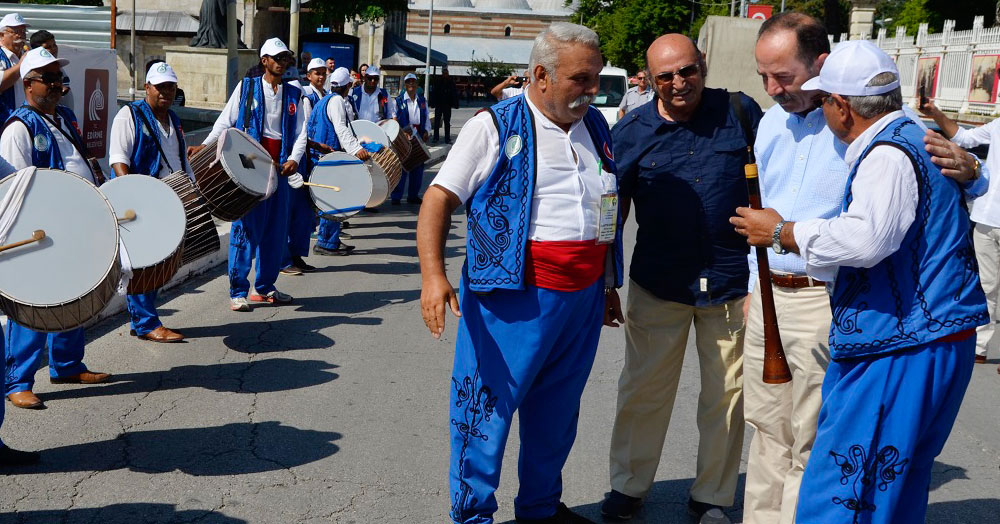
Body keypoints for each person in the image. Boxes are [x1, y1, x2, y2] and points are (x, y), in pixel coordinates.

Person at [742, 13, 987, 524]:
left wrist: (783, 232)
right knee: (862, 469)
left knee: (843, 478)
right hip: (903, 326)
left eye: (784, 77)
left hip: (897, 335)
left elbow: (868, 237)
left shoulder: (888, 150)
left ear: (840, 104)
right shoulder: (907, 135)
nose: (774, 89)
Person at [418, 22, 622, 523]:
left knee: (556, 415)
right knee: (483, 413)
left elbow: (604, 207)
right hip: (513, 296)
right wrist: (433, 274)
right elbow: (438, 198)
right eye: (581, 79)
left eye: (595, 78)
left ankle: (539, 509)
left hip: (583, 294)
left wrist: (608, 283)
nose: (592, 91)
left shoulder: (595, 126)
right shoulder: (493, 126)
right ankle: (473, 516)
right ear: (540, 75)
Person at [601, 34, 759, 524]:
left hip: (733, 285)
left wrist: (766, 277)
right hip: (660, 283)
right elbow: (612, 210)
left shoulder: (739, 111)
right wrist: (606, 282)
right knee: (643, 392)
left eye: (687, 70)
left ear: (703, 65)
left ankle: (711, 496)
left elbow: (773, 188)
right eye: (665, 75)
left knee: (728, 399)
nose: (678, 83)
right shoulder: (629, 131)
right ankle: (628, 487)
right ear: (648, 80)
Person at [2, 47, 111, 410]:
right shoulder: (19, 127)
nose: (56, 84)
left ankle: (66, 364)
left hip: (74, 223)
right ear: (28, 85)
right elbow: (16, 190)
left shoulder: (64, 116)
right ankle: (17, 380)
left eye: (58, 78)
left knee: (73, 296)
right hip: (39, 234)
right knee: (32, 306)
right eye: (47, 79)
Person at [189, 37, 306, 312]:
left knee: (276, 232)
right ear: (264, 61)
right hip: (250, 167)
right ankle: (238, 290)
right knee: (245, 230)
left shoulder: (294, 94)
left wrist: (293, 159)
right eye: (276, 58)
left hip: (280, 170)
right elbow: (225, 121)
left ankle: (265, 288)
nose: (281, 62)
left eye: (285, 58)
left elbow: (301, 132)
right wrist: (206, 146)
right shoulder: (247, 87)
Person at [108, 61, 192, 343]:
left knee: (158, 263)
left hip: (168, 200)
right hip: (141, 203)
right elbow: (119, 161)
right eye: (160, 87)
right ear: (147, 88)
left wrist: (191, 188)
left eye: (170, 86)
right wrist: (134, 196)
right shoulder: (128, 115)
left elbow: (180, 158)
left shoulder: (174, 119)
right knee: (142, 264)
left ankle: (141, 320)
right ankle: (146, 323)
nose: (165, 92)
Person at [920, 101, 1000, 370]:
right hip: (987, 218)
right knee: (987, 285)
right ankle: (980, 347)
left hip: (988, 219)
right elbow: (964, 138)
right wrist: (935, 114)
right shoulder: (998, 125)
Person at [280, 57, 328, 276]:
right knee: (285, 213)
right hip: (288, 162)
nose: (320, 76)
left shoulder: (320, 96)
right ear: (307, 76)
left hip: (303, 162)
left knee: (302, 214)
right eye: (315, 72)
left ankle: (297, 255)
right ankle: (283, 259)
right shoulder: (304, 97)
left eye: (323, 72)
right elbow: (304, 134)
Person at [310, 67, 362, 256]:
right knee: (332, 200)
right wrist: (357, 150)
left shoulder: (323, 100)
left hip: (321, 157)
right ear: (347, 85)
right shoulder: (338, 101)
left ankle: (331, 239)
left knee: (330, 200)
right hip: (329, 158)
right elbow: (341, 129)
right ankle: (326, 242)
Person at [391, 73, 429, 205]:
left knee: (417, 166)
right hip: (403, 135)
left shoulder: (422, 101)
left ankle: (413, 195)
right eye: (408, 82)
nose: (411, 84)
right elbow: (394, 118)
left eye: (413, 82)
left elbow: (426, 116)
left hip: (418, 134)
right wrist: (400, 133)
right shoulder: (398, 100)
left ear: (417, 85)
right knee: (402, 167)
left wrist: (426, 131)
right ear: (405, 85)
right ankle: (396, 196)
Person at [0, 13, 29, 123]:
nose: (21, 36)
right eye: (16, 32)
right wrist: (21, 64)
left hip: (25, 121)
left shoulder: (25, 54)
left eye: (23, 32)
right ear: (1, 35)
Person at [431, 66, 459, 144]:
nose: (445, 75)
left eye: (446, 73)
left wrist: (455, 104)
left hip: (447, 105)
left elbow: (454, 93)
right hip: (439, 104)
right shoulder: (438, 82)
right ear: (442, 74)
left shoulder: (451, 82)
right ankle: (436, 138)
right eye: (444, 73)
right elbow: (434, 93)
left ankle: (447, 138)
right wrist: (433, 103)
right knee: (437, 122)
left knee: (447, 122)